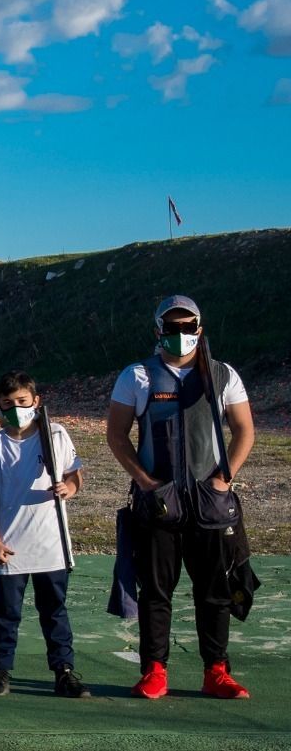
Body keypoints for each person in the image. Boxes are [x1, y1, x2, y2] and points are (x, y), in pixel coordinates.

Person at [106, 295, 255, 700]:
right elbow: (116, 434)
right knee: (156, 592)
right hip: (159, 505)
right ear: (158, 330)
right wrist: (145, 482)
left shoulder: (223, 375)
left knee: (215, 590)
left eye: (188, 327)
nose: (180, 334)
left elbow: (244, 430)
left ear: (199, 330)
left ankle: (216, 672)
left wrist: (223, 480)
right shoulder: (137, 376)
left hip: (210, 505)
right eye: (172, 327)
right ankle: (154, 671)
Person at [0, 371, 87, 698]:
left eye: (22, 401)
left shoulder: (55, 435)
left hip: (51, 545)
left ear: (35, 401)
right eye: (7, 403)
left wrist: (69, 488)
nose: (16, 408)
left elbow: (74, 475)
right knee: (6, 613)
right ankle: (1, 672)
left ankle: (63, 671)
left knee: (54, 611)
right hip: (11, 547)